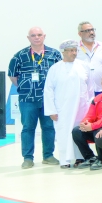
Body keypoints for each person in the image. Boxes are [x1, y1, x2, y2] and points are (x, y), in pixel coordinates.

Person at [8, 27, 62, 168]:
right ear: (28, 38)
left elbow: (60, 75)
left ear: (44, 36)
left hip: (49, 100)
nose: (36, 37)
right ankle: (27, 158)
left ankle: (48, 156)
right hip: (27, 99)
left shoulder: (55, 54)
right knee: (28, 128)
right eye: (33, 35)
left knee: (49, 127)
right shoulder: (19, 56)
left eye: (39, 35)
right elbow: (13, 76)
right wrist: (26, 87)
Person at [43, 41, 91, 168]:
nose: (74, 53)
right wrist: (51, 110)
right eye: (71, 51)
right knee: (64, 134)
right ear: (63, 52)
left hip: (82, 108)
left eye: (75, 50)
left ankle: (80, 158)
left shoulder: (83, 66)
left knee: (79, 132)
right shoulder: (55, 69)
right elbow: (48, 90)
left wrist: (91, 107)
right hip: (63, 109)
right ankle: (65, 161)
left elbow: (90, 87)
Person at [75, 21, 102, 96]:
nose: (91, 32)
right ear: (80, 34)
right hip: (83, 91)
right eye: (87, 31)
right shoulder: (75, 48)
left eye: (92, 30)